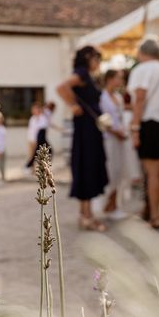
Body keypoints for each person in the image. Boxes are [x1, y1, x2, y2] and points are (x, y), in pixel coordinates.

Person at [128, 36, 159, 228]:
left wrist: (135, 128)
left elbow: (139, 99)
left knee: (153, 173)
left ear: (141, 53)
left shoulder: (142, 70)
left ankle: (156, 216)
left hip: (151, 123)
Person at [57, 45, 108, 231]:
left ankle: (85, 214)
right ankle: (87, 216)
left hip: (88, 130)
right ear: (88, 58)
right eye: (96, 58)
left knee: (87, 167)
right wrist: (72, 105)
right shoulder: (82, 73)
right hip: (87, 130)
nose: (98, 63)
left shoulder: (86, 75)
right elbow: (62, 87)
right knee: (88, 167)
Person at [100, 69, 129, 220]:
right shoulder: (102, 97)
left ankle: (114, 205)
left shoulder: (119, 96)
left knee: (120, 171)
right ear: (110, 79)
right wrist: (114, 131)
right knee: (111, 170)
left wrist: (122, 131)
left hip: (120, 138)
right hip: (109, 138)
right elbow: (102, 120)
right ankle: (108, 203)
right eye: (119, 78)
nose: (121, 81)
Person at [25, 102, 51, 169]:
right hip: (31, 140)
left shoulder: (43, 118)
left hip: (38, 141)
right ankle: (32, 169)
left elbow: (42, 130)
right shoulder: (32, 118)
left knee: (38, 156)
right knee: (31, 155)